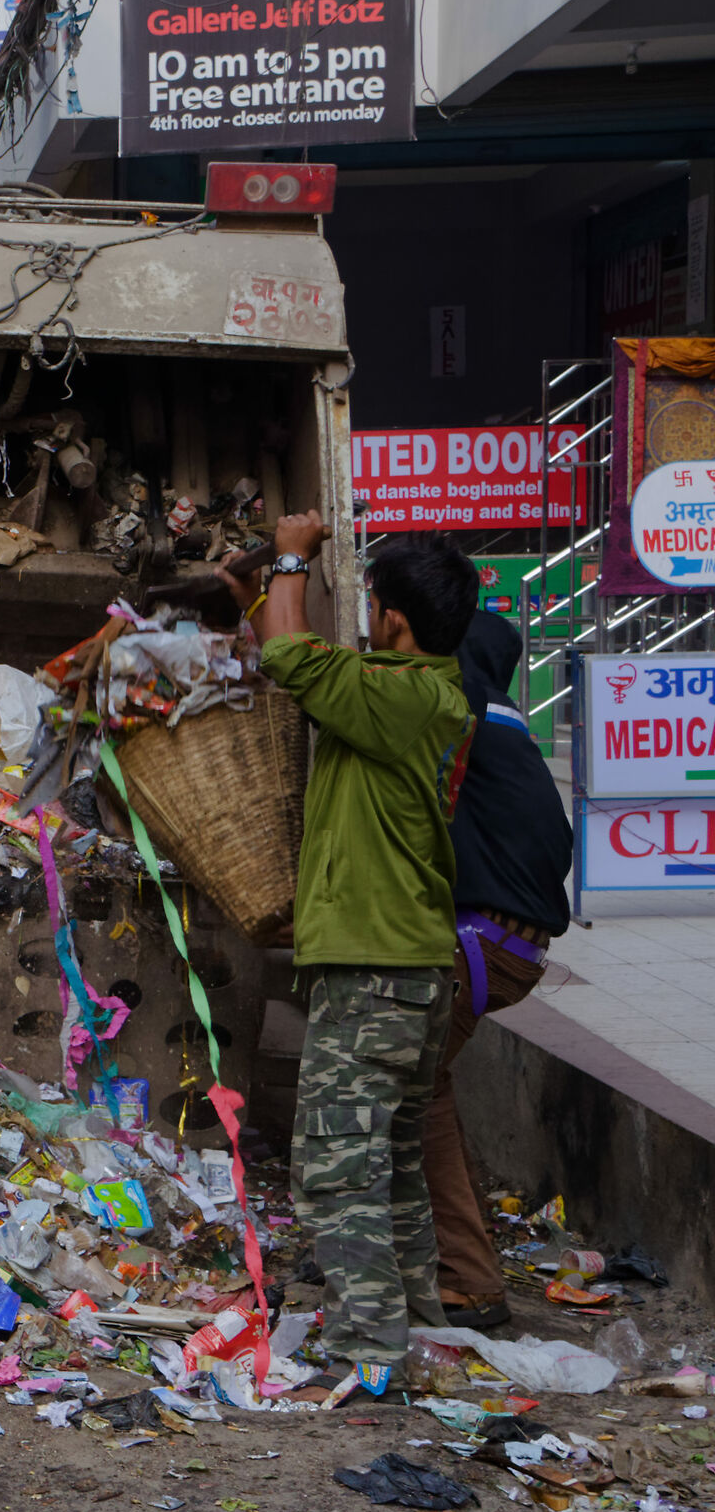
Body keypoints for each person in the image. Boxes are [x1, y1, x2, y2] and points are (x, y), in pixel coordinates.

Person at [222, 519, 476, 1402]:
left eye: (369, 603)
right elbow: (295, 652)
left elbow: (290, 655)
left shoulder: (394, 695)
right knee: (393, 1162)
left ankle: (369, 1352)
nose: (363, 616)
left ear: (394, 620)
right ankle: (419, 1331)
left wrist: (294, 553)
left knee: (337, 1167)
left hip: (376, 971)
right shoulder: (426, 692)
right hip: (410, 968)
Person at [428, 609, 569, 1331]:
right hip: (513, 946)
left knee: (394, 1084)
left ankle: (470, 1280)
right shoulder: (509, 730)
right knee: (425, 1088)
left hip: (481, 944)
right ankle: (444, 1259)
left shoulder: (466, 715)